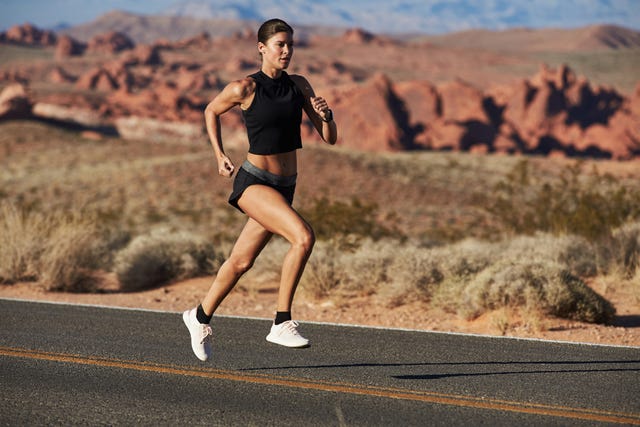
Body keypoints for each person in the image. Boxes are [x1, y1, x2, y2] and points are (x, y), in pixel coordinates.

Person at [183, 18, 338, 361]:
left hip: (285, 187)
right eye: (280, 44)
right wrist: (220, 154)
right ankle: (281, 321)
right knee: (303, 237)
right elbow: (211, 110)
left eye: (290, 45)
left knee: (240, 262)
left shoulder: (299, 86)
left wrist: (326, 116)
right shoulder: (244, 88)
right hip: (254, 182)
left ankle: (199, 316)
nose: (286, 51)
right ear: (262, 48)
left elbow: (329, 138)